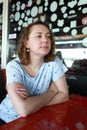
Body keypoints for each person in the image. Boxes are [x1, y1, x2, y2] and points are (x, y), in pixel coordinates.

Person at [0, 21, 69, 125]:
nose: (45, 40)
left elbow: (64, 96)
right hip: (8, 121)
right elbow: (23, 110)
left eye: (48, 36)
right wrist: (52, 92)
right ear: (26, 43)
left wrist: (31, 104)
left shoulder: (54, 62)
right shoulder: (14, 66)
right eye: (39, 36)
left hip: (38, 118)